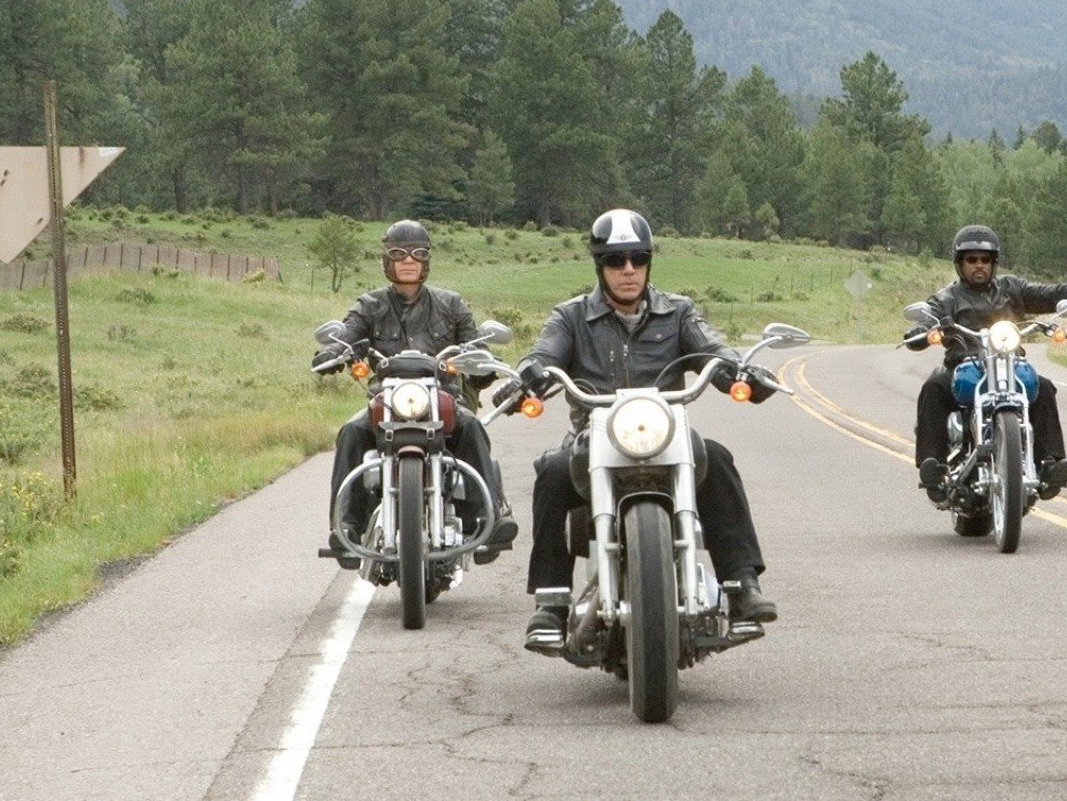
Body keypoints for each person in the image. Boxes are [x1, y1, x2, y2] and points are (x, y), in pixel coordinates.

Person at [496, 208, 781, 640]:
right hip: (593, 438)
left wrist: (740, 372)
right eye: (616, 261)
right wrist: (528, 376)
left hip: (665, 436)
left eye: (638, 258)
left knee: (716, 458)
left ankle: (742, 585)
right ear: (599, 265)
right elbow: (544, 353)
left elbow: (713, 350)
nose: (628, 270)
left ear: (649, 261)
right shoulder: (570, 317)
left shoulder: (679, 312)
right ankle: (551, 599)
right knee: (553, 470)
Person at [314, 219, 516, 563]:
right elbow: (347, 333)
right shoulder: (370, 305)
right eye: (399, 253)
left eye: (417, 253)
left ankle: (488, 516)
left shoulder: (450, 304)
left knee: (472, 427)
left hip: (443, 396)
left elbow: (473, 345)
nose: (408, 260)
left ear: (426, 260)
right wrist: (333, 352)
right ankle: (345, 526)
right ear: (387, 260)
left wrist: (484, 364)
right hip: (388, 400)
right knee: (350, 432)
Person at [908, 224, 1067, 502]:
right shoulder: (947, 298)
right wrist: (921, 332)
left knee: (1043, 387)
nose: (978, 266)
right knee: (933, 387)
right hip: (965, 367)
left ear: (994, 263)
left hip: (1009, 364)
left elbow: (1052, 294)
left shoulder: (1012, 288)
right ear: (960, 264)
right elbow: (928, 317)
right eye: (971, 260)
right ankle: (932, 465)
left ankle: (1049, 464)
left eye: (985, 260)